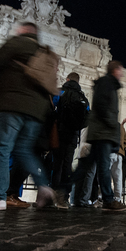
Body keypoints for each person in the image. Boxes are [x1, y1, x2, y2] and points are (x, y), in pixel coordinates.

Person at [0, 22, 54, 211]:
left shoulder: (19, 43)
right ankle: (44, 186)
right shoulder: (43, 52)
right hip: (36, 111)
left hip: (12, 103)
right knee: (24, 150)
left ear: (23, 31)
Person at [70, 60, 126, 211]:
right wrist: (112, 126)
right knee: (101, 168)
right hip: (102, 132)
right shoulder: (106, 83)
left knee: (85, 166)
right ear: (115, 70)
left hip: (101, 132)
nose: (122, 73)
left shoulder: (108, 84)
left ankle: (62, 189)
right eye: (120, 70)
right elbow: (103, 107)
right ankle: (109, 200)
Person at [51, 72, 88, 209]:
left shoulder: (60, 92)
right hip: (73, 136)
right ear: (78, 81)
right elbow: (87, 118)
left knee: (56, 165)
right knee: (67, 165)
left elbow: (52, 107)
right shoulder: (82, 97)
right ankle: (64, 198)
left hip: (59, 132)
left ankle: (52, 195)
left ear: (67, 79)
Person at [110, 123, 126, 202]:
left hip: (110, 151)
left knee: (105, 175)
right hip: (120, 153)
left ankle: (102, 197)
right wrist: (122, 147)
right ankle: (118, 199)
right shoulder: (121, 126)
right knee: (118, 178)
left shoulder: (108, 123)